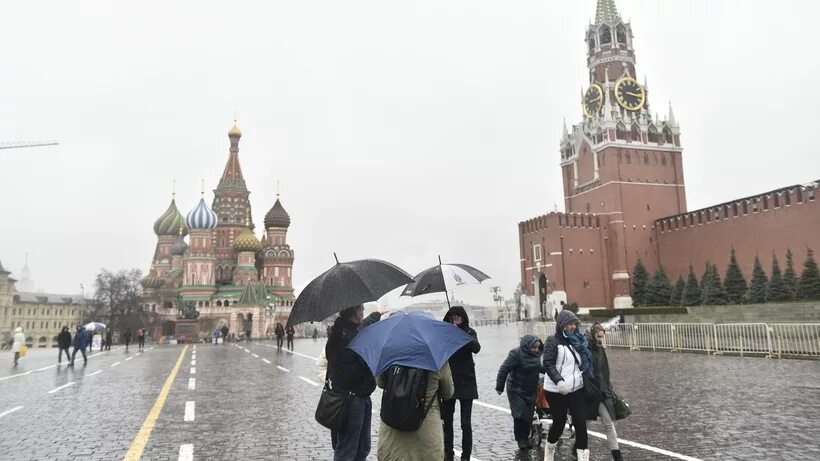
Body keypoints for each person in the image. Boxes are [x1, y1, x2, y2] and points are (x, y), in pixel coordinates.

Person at [325, 305, 384, 461]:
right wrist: (369, 357)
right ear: (357, 314)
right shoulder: (341, 338)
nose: (363, 314)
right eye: (362, 311)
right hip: (350, 401)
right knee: (347, 451)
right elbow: (347, 374)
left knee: (363, 448)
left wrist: (377, 313)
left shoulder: (351, 331)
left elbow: (365, 324)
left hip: (362, 398)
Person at [377, 362, 454, 461]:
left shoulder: (391, 353)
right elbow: (448, 393)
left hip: (392, 427)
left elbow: (381, 383)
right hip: (426, 429)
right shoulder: (437, 359)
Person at [541, 310, 591, 461]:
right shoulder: (552, 341)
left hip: (576, 388)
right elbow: (548, 364)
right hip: (556, 390)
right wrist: (559, 381)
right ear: (561, 325)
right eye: (569, 324)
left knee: (581, 424)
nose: (573, 327)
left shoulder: (578, 340)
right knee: (559, 423)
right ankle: (549, 451)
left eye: (574, 324)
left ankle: (583, 458)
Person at [441, 306, 481, 461]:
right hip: (449, 381)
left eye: (458, 316)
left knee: (466, 423)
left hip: (466, 382)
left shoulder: (469, 332)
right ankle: (448, 454)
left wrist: (461, 333)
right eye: (453, 316)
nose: (456, 318)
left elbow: (476, 348)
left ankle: (466, 456)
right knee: (448, 421)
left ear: (463, 317)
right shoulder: (446, 333)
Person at [495, 334, 543, 450]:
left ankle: (525, 438)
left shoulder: (536, 356)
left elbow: (541, 368)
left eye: (537, 347)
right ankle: (520, 439)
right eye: (534, 347)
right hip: (516, 389)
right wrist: (499, 387)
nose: (536, 350)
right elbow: (504, 369)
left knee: (528, 415)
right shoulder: (516, 354)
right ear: (527, 346)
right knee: (519, 414)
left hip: (530, 390)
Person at [586, 323, 622, 461]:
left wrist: (608, 387)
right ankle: (579, 449)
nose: (601, 339)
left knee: (608, 423)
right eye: (599, 336)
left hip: (601, 392)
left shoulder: (601, 349)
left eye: (602, 336)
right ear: (593, 335)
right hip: (589, 393)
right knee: (585, 425)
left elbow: (604, 370)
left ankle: (617, 455)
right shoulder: (586, 348)